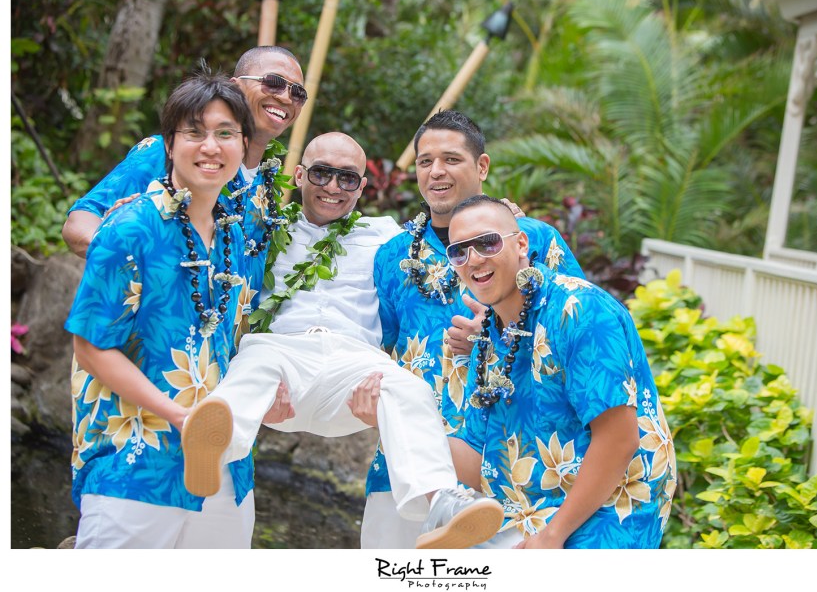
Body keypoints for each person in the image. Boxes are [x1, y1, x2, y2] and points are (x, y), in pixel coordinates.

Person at [181, 132, 504, 550]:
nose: (333, 186)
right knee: (253, 364)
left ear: (362, 186)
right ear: (300, 175)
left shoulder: (388, 236)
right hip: (283, 361)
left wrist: (502, 218)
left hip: (354, 369)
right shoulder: (266, 231)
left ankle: (441, 502)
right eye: (321, 173)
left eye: (347, 178)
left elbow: (453, 237)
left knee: (409, 388)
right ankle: (210, 451)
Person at [358, 109, 586, 548]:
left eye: (451, 159)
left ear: (482, 166)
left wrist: (499, 326)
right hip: (406, 468)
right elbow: (376, 347)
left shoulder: (534, 239)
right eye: (425, 161)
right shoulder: (393, 255)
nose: (436, 171)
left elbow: (577, 331)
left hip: (514, 468)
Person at [65, 71, 257, 548]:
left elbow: (229, 342)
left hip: (225, 473)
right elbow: (91, 348)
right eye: (194, 132)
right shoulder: (129, 227)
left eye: (225, 133)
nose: (210, 146)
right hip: (133, 463)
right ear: (169, 145)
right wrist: (179, 416)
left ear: (243, 144)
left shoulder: (234, 234)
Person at [447, 194, 677, 548]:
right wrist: (399, 419)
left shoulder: (580, 310)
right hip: (533, 513)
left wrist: (552, 536)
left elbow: (619, 439)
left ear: (521, 244)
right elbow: (476, 458)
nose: (474, 259)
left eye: (487, 242)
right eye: (459, 251)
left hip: (612, 507)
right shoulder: (490, 334)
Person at [62, 46, 306, 344]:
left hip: (223, 360)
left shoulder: (267, 188)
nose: (286, 97)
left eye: (298, 93)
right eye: (274, 82)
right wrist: (142, 260)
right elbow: (79, 224)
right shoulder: (170, 155)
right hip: (150, 347)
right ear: (234, 87)